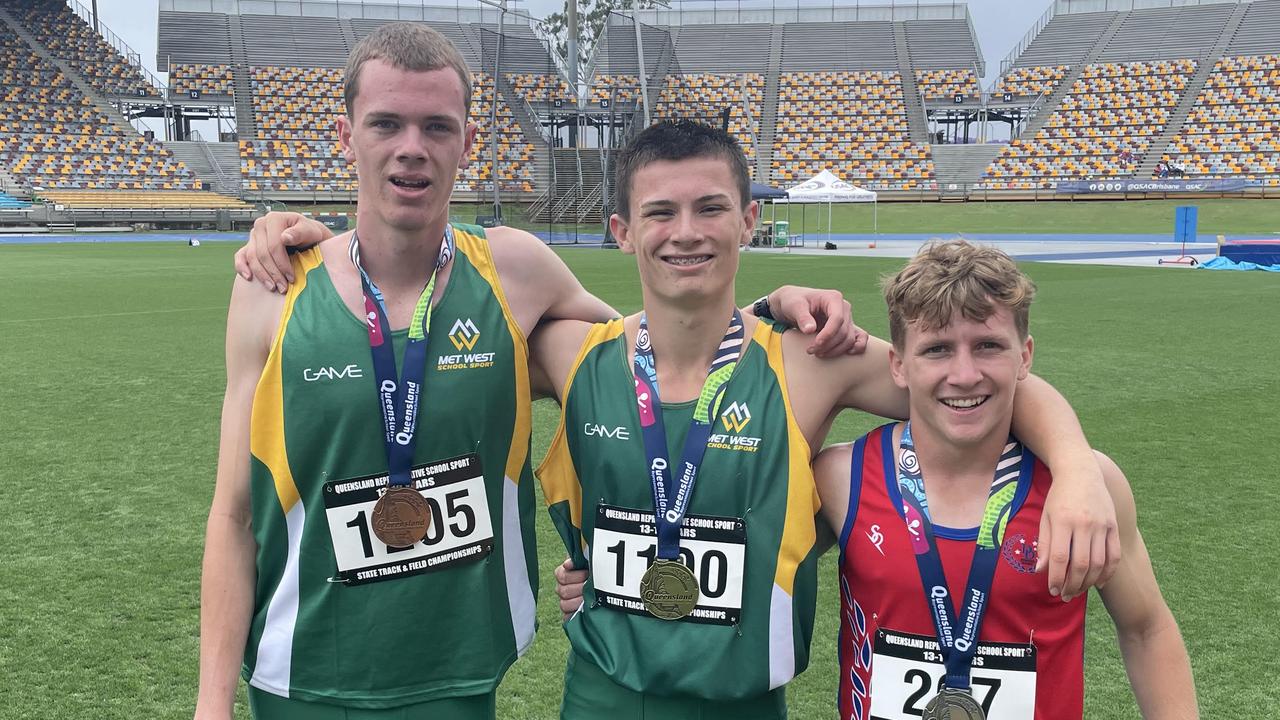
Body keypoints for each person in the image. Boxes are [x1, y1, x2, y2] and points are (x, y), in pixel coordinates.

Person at [199, 24, 865, 720]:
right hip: (305, 674)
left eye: (437, 127)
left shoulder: (515, 270)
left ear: (469, 142)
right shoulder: (272, 290)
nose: (411, 149)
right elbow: (234, 513)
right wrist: (211, 703)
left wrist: (769, 310)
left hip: (462, 674)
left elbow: (655, 354)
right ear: (345, 135)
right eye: (386, 124)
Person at [533, 122, 1117, 719]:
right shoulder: (571, 355)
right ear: (623, 232)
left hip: (743, 705)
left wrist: (1074, 467)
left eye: (710, 208)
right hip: (601, 696)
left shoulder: (810, 362)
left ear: (749, 220)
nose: (686, 232)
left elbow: (976, 386)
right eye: (661, 212)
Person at [816, 240, 1196, 719]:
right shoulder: (841, 478)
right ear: (897, 365)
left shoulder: (1084, 487)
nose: (964, 374)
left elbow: (1146, 629)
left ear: (1025, 356)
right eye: (937, 350)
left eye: (988, 346)